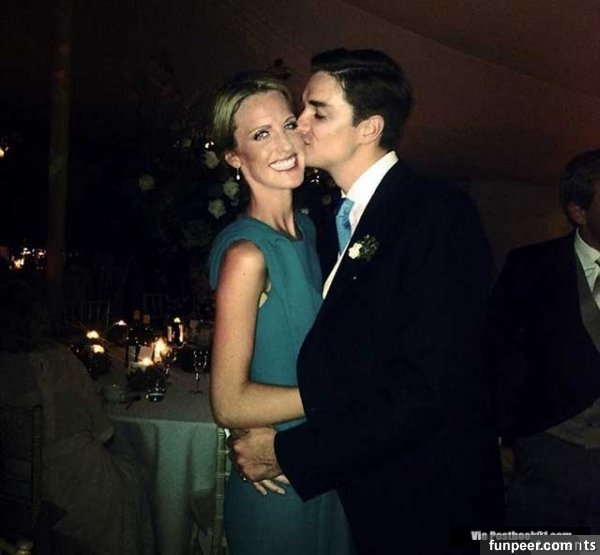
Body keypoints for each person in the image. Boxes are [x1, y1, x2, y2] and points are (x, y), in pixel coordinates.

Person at [229, 48, 504, 553]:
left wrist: (290, 452)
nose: (299, 125)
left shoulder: (437, 215)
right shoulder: (328, 222)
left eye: (317, 112)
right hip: (358, 494)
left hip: (424, 501)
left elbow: (427, 387)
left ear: (369, 128)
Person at [207, 72, 353, 554]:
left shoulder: (309, 231)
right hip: (277, 477)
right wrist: (346, 399)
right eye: (260, 134)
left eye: (288, 125)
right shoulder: (247, 255)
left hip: (320, 460)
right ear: (234, 157)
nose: (285, 144)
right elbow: (228, 404)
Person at [486, 149, 600, 532]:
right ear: (579, 212)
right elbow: (492, 352)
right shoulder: (531, 265)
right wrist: (496, 435)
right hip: (550, 448)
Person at [0, 274, 153, 555]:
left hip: (15, 490)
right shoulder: (62, 360)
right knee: (135, 478)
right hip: (80, 487)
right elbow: (104, 432)